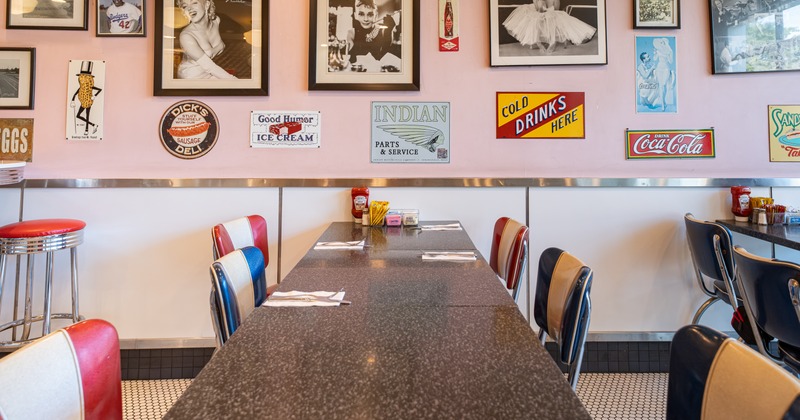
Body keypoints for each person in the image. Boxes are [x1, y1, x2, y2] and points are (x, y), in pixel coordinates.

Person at [176, 0, 236, 79]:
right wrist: (235, 81)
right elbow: (209, 66)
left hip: (210, 72)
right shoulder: (186, 36)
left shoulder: (216, 21)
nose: (189, 8)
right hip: (191, 76)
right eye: (185, 6)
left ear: (207, 4)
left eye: (194, 2)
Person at [346, 0, 399, 71]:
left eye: (370, 14)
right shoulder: (351, 32)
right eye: (361, 14)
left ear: (376, 15)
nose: (366, 19)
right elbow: (349, 57)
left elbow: (385, 56)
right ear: (356, 15)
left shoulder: (382, 31)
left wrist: (389, 31)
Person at [70, 61, 102, 136]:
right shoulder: (82, 87)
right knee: (80, 116)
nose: (82, 78)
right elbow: (78, 90)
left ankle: (87, 130)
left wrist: (95, 95)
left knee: (85, 115)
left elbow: (100, 89)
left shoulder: (90, 86)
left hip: (88, 101)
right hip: (83, 101)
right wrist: (73, 99)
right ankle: (92, 126)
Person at [652, 37, 675, 111]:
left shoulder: (669, 51)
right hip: (659, 68)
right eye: (661, 42)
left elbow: (671, 62)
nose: (661, 43)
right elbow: (655, 59)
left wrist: (668, 56)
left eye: (663, 42)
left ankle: (663, 101)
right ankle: (663, 103)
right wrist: (655, 53)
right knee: (661, 86)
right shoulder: (658, 50)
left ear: (666, 43)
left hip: (666, 68)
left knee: (664, 85)